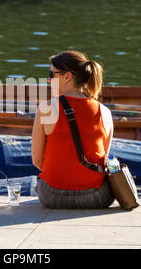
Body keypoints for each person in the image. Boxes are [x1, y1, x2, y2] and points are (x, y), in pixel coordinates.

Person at [31, 50, 115, 209]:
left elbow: (37, 160)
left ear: (67, 76)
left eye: (51, 74)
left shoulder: (46, 109)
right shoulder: (105, 112)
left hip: (52, 196)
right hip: (96, 197)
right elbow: (102, 161)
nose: (49, 80)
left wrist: (62, 177)